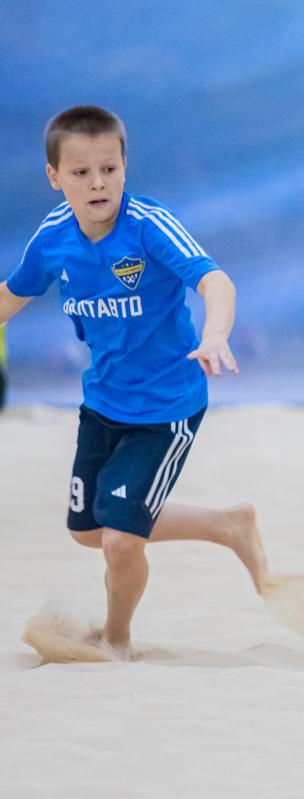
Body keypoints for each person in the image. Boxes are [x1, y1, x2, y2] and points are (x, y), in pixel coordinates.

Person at [0, 106, 267, 659]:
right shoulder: (52, 239)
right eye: (80, 172)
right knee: (88, 530)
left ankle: (115, 640)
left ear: (125, 165)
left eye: (109, 168)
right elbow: (11, 296)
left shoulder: (148, 226)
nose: (98, 182)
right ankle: (227, 525)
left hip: (167, 407)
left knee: (121, 540)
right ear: (54, 176)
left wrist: (216, 334)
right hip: (102, 401)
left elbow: (215, 281)